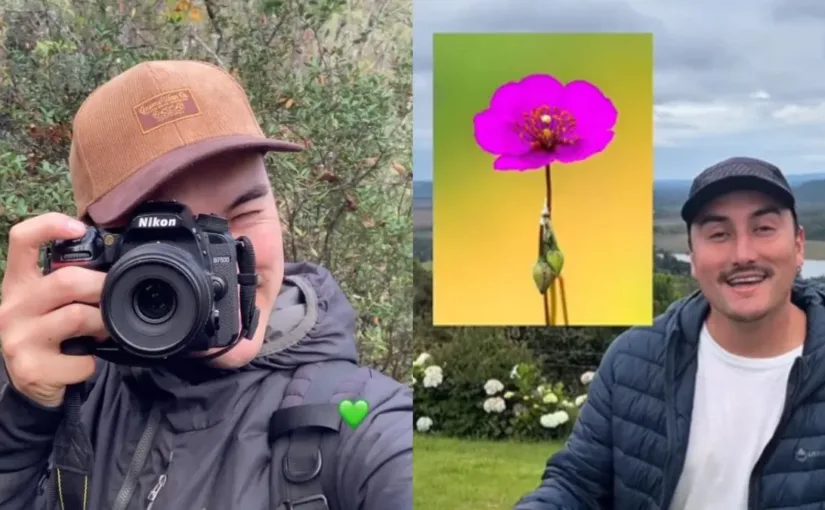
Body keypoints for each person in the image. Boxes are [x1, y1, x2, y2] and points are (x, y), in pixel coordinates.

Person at [0, 60, 412, 510]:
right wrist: (24, 417)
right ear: (93, 249)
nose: (215, 270)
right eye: (161, 239)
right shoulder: (68, 387)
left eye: (243, 213)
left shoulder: (365, 429)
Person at [514, 156, 825, 509]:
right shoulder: (633, 361)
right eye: (718, 234)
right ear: (692, 257)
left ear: (799, 244)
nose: (743, 254)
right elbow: (578, 485)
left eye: (764, 229)